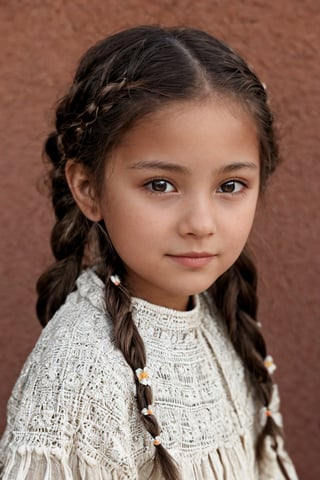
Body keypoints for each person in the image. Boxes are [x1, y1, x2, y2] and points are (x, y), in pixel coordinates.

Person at [0, 25, 299, 480]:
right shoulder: (82, 378)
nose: (201, 223)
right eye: (160, 185)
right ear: (87, 187)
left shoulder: (227, 317)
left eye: (230, 186)